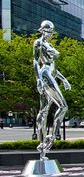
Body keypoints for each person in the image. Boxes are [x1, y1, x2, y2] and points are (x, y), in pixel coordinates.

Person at [33, 20, 71, 160]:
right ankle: (52, 136)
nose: (49, 34)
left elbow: (54, 65)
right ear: (42, 31)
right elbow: (36, 61)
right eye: (47, 31)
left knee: (44, 110)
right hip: (45, 75)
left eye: (51, 32)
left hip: (51, 74)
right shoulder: (39, 43)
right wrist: (38, 79)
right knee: (63, 106)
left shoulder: (50, 44)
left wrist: (64, 79)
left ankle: (43, 146)